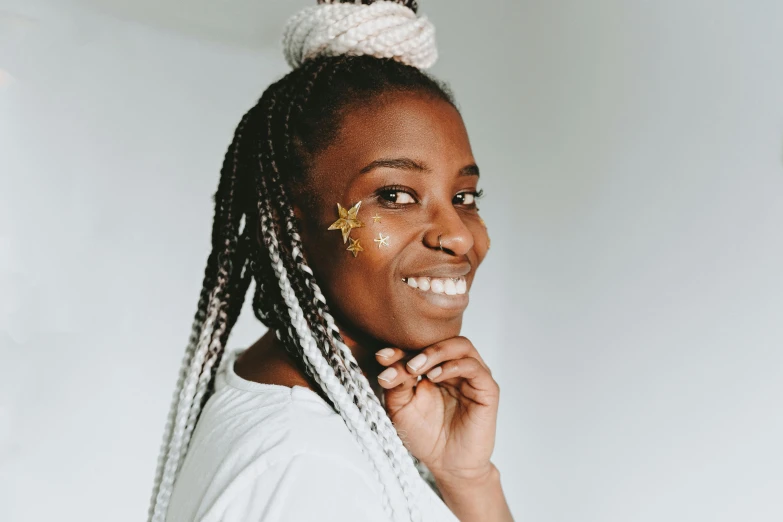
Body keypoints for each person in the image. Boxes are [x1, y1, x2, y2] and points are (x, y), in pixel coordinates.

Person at [146, 1, 513, 521]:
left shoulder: (308, 407)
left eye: (465, 197)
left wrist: (468, 479)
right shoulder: (305, 466)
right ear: (290, 222)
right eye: (395, 195)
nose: (458, 235)